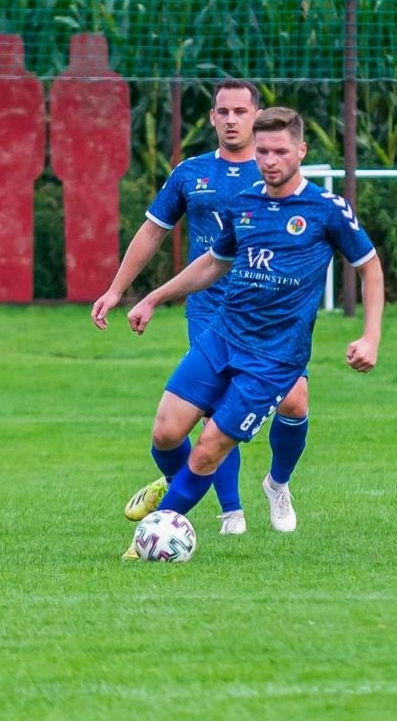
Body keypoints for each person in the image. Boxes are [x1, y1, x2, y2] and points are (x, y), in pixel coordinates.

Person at [120, 108, 384, 556]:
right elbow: (213, 263)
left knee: (208, 449)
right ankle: (174, 485)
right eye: (262, 151)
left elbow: (370, 268)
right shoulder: (244, 203)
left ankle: (154, 537)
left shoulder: (327, 210)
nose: (270, 160)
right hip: (222, 337)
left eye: (280, 151)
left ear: (301, 151)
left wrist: (370, 336)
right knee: (165, 434)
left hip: (273, 358)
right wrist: (153, 297)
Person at [93, 81, 313, 535]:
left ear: (257, 117)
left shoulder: (276, 174)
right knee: (215, 412)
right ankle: (230, 513)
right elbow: (153, 231)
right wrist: (118, 290)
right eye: (223, 111)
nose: (231, 120)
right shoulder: (190, 173)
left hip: (270, 315)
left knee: (295, 401)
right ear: (212, 118)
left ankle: (278, 483)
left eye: (240, 111)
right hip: (211, 310)